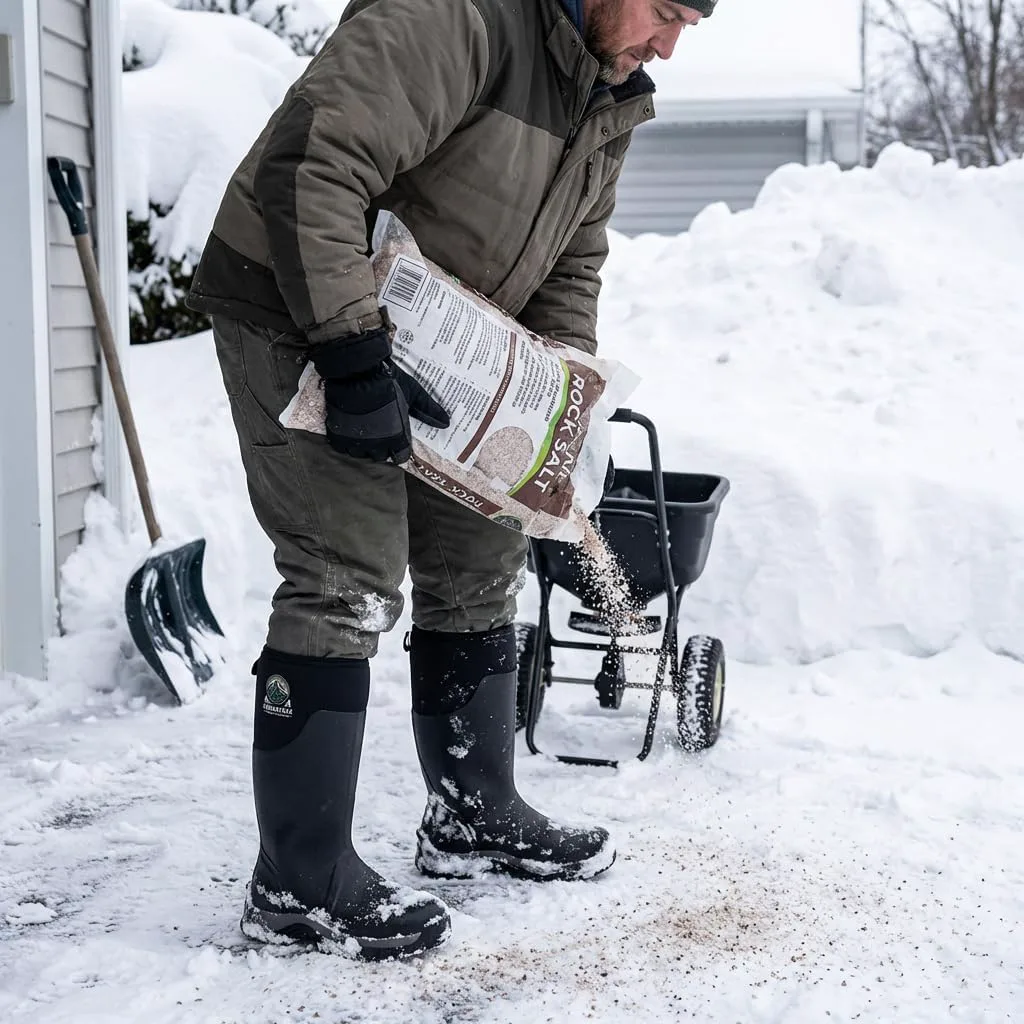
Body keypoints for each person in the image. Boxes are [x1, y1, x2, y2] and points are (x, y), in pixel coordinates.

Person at [186, 0, 714, 959]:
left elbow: (574, 260)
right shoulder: (454, 17)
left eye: (691, 24)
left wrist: (551, 390)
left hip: (446, 339)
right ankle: (297, 882)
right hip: (298, 305)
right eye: (663, 10)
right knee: (345, 571)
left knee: (482, 556)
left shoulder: (606, 94)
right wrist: (350, 354)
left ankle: (475, 811)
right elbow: (314, 165)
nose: (668, 45)